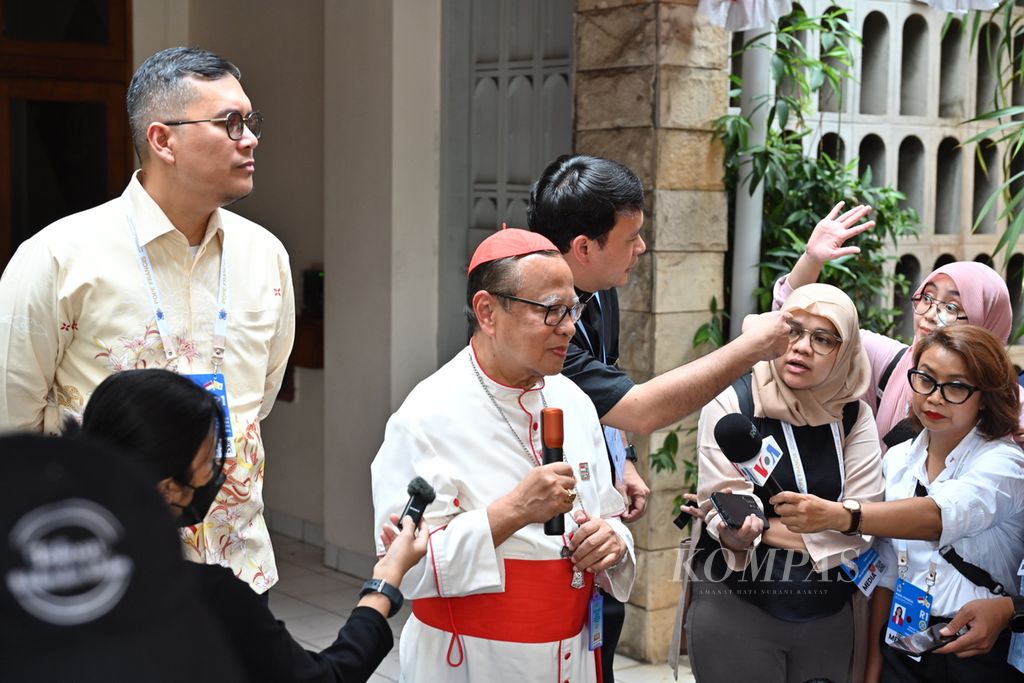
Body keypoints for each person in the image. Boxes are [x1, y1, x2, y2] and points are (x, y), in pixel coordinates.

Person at [0, 47, 294, 594]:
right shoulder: (59, 257)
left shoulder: (265, 255)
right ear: (163, 140)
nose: (249, 138)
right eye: (230, 122)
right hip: (106, 564)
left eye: (250, 122)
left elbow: (260, 395)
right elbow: (13, 421)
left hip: (238, 563)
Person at [527, 154, 796, 678]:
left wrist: (621, 458)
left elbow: (604, 384)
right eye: (631, 239)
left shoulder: (599, 291)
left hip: (596, 507)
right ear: (584, 248)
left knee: (598, 640)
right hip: (545, 515)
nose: (642, 249)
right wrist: (747, 350)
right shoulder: (540, 317)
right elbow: (640, 408)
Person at [371, 228, 635, 682]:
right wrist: (512, 512)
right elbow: (404, 573)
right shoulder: (425, 417)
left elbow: (608, 514)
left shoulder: (573, 399)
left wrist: (613, 540)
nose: (570, 327)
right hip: (472, 661)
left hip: (573, 653)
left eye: (573, 309)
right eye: (552, 311)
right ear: (488, 312)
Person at [79, 368, 428, 683]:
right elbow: (324, 678)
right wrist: (384, 585)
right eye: (208, 459)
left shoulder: (47, 579)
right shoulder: (205, 598)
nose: (222, 470)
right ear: (167, 488)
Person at [773, 325, 1024, 682]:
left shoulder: (1004, 462)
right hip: (904, 643)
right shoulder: (898, 459)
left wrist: (840, 515)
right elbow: (888, 570)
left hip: (977, 647)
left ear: (984, 396)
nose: (935, 397)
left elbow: (938, 516)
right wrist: (874, 666)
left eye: (955, 386)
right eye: (925, 379)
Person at [685, 283, 885, 683]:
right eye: (792, 330)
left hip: (828, 613)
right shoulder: (730, 401)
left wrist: (774, 529)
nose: (802, 347)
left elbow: (865, 525)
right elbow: (724, 509)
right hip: (737, 605)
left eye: (823, 338)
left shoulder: (854, 416)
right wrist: (744, 533)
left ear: (845, 350)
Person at [773, 204, 1017, 452]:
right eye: (927, 298)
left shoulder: (1011, 408)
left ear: (988, 323)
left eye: (952, 307)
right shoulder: (886, 361)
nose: (931, 315)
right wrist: (811, 259)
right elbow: (783, 329)